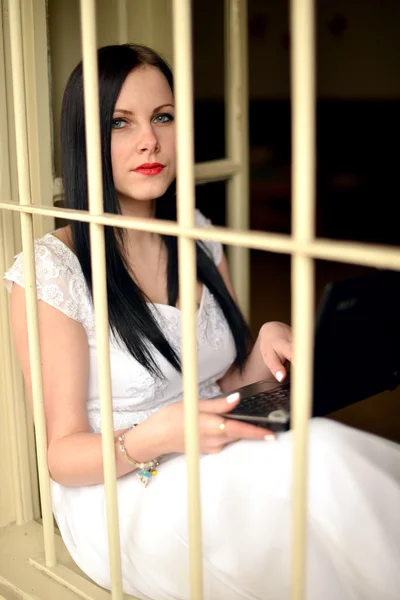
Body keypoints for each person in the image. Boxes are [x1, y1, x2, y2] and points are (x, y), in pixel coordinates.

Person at [4, 44, 400, 600]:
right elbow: (62, 455)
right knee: (312, 488)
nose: (150, 141)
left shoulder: (196, 230)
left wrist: (261, 351)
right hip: (122, 489)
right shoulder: (53, 269)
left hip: (216, 443)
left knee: (328, 454)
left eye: (163, 117)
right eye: (122, 123)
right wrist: (155, 436)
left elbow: (223, 385)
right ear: (86, 139)